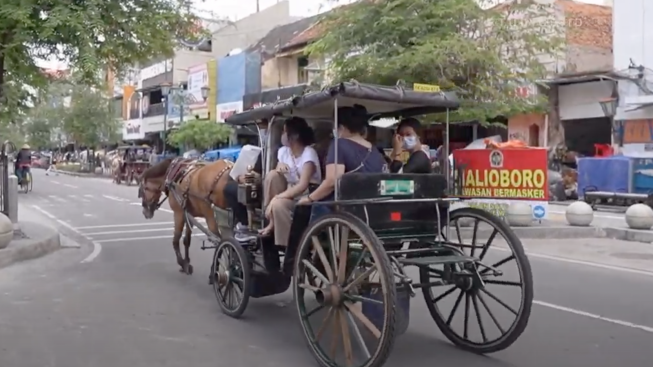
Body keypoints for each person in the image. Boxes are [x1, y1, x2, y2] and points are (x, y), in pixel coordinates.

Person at [298, 105, 387, 213]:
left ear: (341, 127)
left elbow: (332, 181)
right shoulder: (374, 150)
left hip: (349, 207)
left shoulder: (339, 144)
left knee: (309, 209)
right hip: (374, 205)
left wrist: (309, 198)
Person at [259, 117, 321, 247]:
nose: (282, 135)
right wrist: (279, 167)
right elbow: (276, 177)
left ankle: (290, 245)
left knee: (278, 204)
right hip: (290, 192)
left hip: (307, 195)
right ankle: (270, 222)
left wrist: (278, 197)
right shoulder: (283, 152)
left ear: (294, 135)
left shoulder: (309, 153)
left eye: (284, 132)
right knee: (272, 175)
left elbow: (303, 185)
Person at [224, 119, 269, 241]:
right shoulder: (271, 148)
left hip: (265, 188)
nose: (263, 130)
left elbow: (260, 174)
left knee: (229, 189)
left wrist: (245, 178)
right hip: (264, 182)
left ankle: (245, 224)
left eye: (263, 126)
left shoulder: (272, 149)